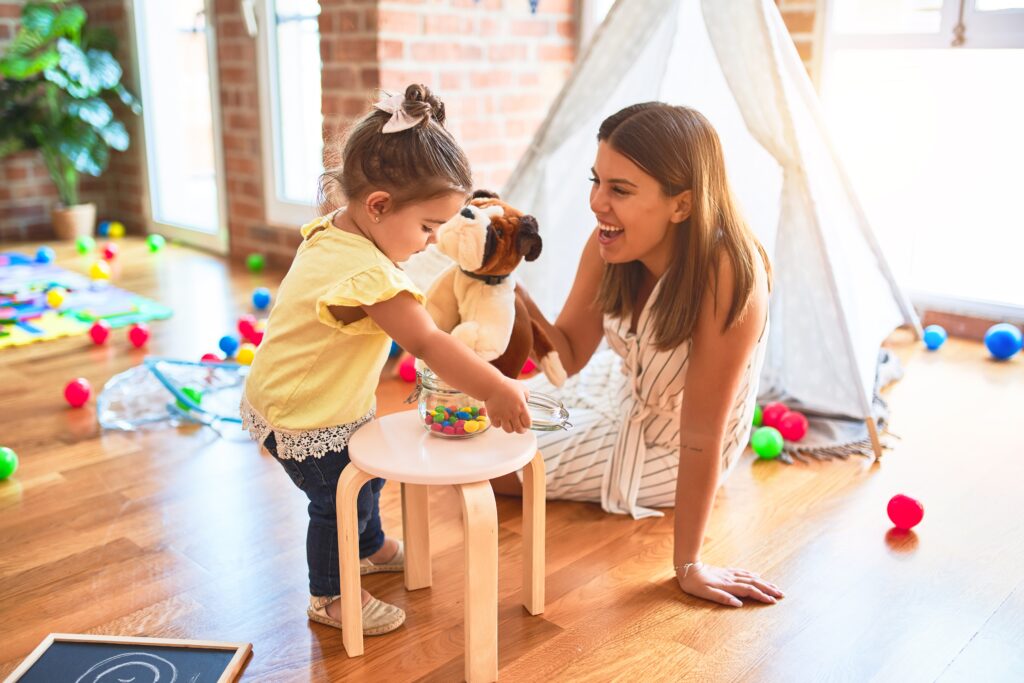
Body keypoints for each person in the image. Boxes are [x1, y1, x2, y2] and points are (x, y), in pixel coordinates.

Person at [241, 84, 531, 635]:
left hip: (312, 399)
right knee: (336, 502)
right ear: (378, 205)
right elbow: (426, 342)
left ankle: (369, 549)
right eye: (426, 228)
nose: (429, 243)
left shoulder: (338, 233)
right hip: (304, 414)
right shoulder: (367, 275)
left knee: (366, 474)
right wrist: (493, 387)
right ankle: (329, 596)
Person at [495, 103, 784, 608]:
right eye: (596, 180)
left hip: (675, 444)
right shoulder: (611, 244)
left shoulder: (728, 271)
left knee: (496, 466)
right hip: (620, 385)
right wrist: (504, 287)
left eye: (620, 190)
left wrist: (689, 565)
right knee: (482, 421)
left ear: (682, 204)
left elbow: (700, 435)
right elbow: (569, 353)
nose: (597, 202)